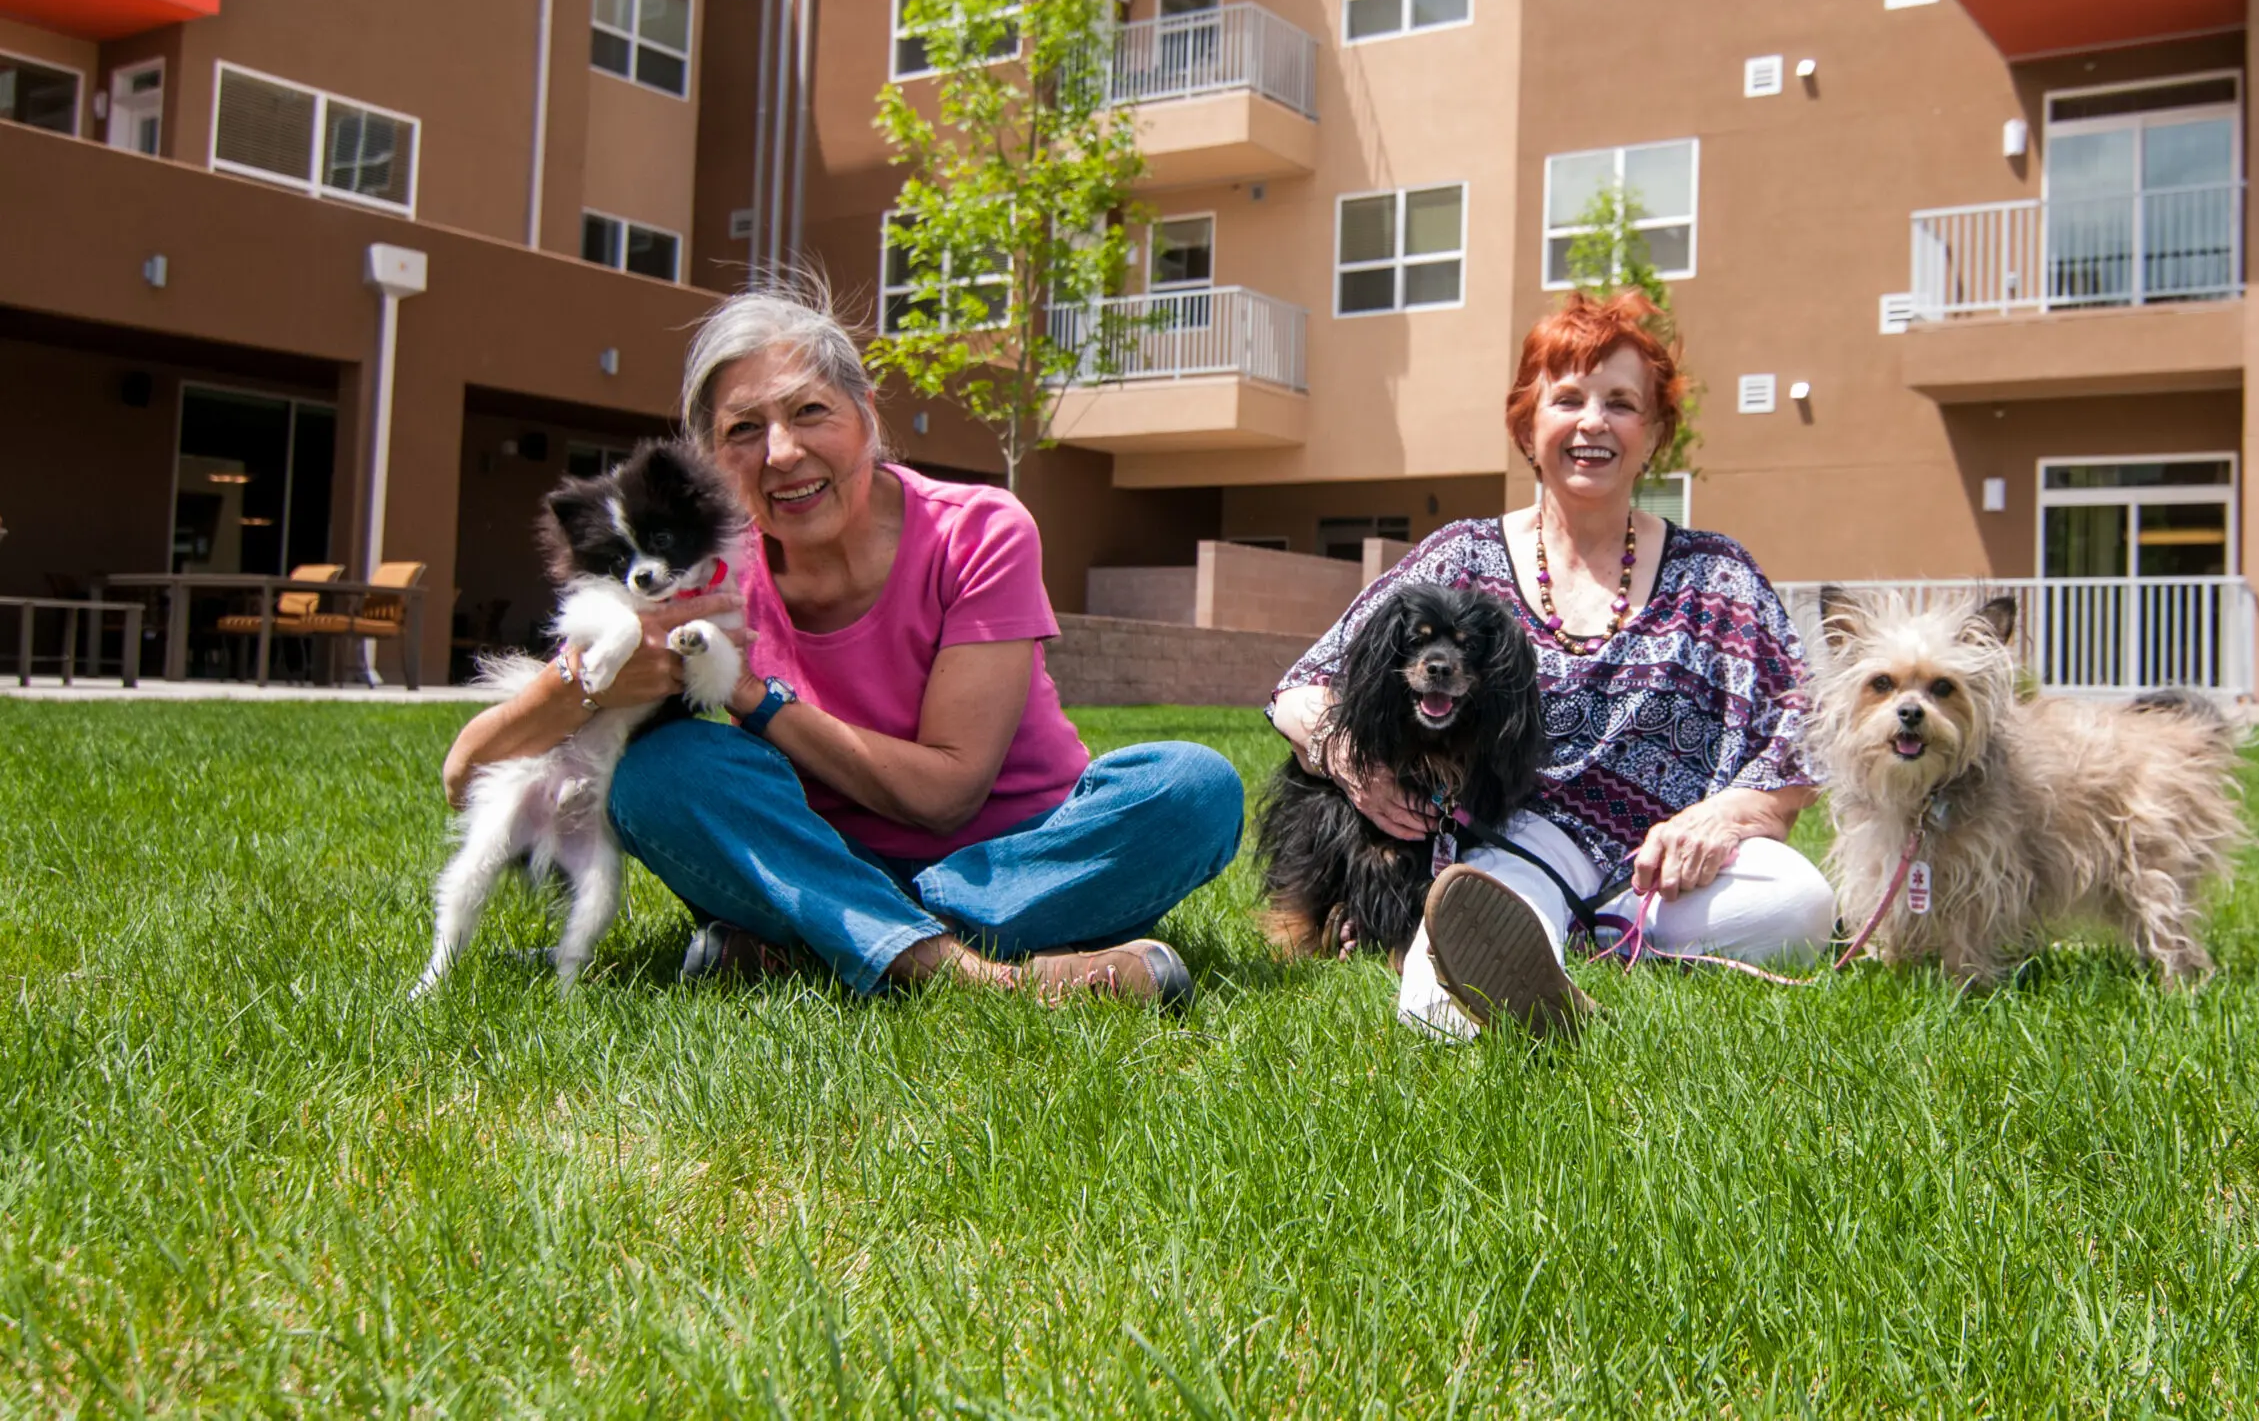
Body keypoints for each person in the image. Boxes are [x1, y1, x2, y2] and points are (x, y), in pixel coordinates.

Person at [441, 278, 1242, 1004]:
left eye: (809, 411)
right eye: (743, 430)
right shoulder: (700, 573)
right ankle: (974, 976)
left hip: (1019, 859)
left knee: (1193, 787)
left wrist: (749, 692)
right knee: (656, 775)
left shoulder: (980, 532)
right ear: (708, 464)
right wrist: (584, 687)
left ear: (868, 415)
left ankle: (824, 941)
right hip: (817, 851)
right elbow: (465, 770)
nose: (781, 452)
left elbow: (944, 796)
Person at [1269, 291, 1834, 1039]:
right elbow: (1300, 690)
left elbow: (1807, 729)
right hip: (1515, 842)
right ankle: (1536, 949)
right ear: (1528, 426)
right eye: (1567, 399)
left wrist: (1726, 815)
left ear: (1655, 432)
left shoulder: (1719, 577)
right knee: (1441, 1003)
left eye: (1622, 403)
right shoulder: (1461, 555)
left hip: (1659, 865)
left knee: (1798, 905)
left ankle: (1578, 944)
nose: (1594, 422)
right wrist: (1352, 764)